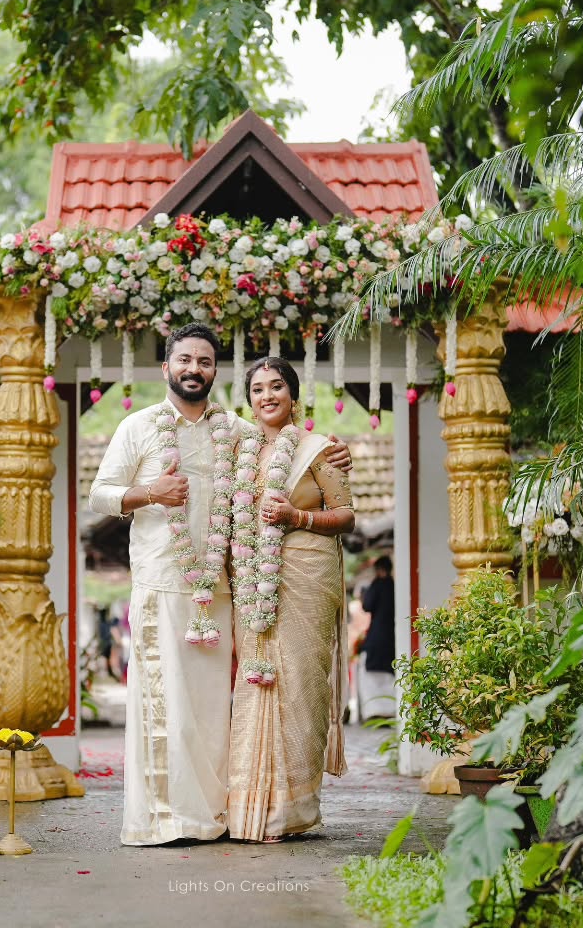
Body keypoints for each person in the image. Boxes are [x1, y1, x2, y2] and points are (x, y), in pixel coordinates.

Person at [88, 325, 351, 846]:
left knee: (214, 712)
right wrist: (150, 492)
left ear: (214, 372)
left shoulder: (233, 429)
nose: (194, 369)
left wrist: (334, 449)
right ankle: (166, 820)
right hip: (163, 583)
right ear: (166, 367)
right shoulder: (138, 426)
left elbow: (284, 439)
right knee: (166, 705)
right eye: (184, 359)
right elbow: (99, 494)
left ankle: (212, 815)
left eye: (205, 362)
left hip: (222, 590)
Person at [227, 356, 355, 843]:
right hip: (251, 580)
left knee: (299, 684)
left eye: (276, 386)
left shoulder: (318, 449)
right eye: (258, 389)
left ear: (293, 395)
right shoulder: (238, 451)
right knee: (255, 684)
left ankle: (291, 811)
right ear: (249, 400)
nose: (267, 396)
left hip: (306, 575)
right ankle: (249, 809)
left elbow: (346, 516)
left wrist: (297, 518)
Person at [358, 556, 397, 719]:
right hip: (392, 635)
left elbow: (367, 605)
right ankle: (390, 710)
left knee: (370, 676)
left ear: (379, 569)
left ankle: (375, 711)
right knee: (390, 674)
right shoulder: (395, 585)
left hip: (376, 636)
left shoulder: (377, 585)